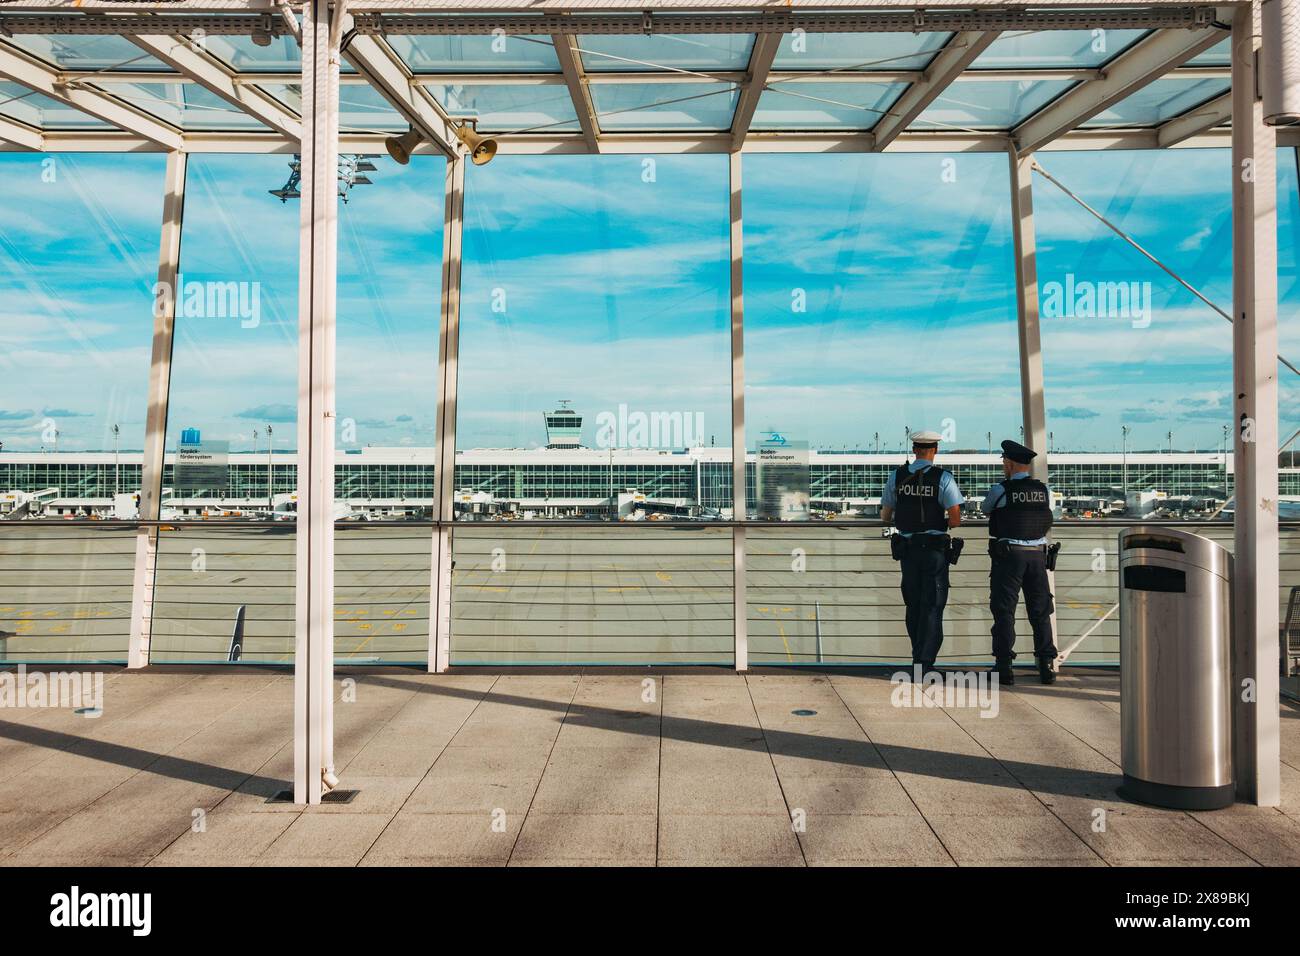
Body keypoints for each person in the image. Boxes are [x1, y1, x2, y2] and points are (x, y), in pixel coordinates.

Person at [880, 430, 964, 676]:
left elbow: (885, 515)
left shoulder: (897, 476)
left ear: (914, 449)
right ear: (935, 450)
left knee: (913, 605)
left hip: (908, 551)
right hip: (935, 552)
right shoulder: (944, 478)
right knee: (933, 607)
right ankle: (924, 663)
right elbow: (956, 518)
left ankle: (918, 655)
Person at [981, 439, 1058, 685]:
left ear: (1011, 464)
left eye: (1005, 461)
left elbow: (986, 509)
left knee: (1005, 612)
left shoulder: (1001, 490)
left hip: (1009, 557)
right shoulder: (1044, 490)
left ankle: (1004, 667)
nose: (1004, 465)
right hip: (1037, 556)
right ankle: (1046, 665)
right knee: (1041, 612)